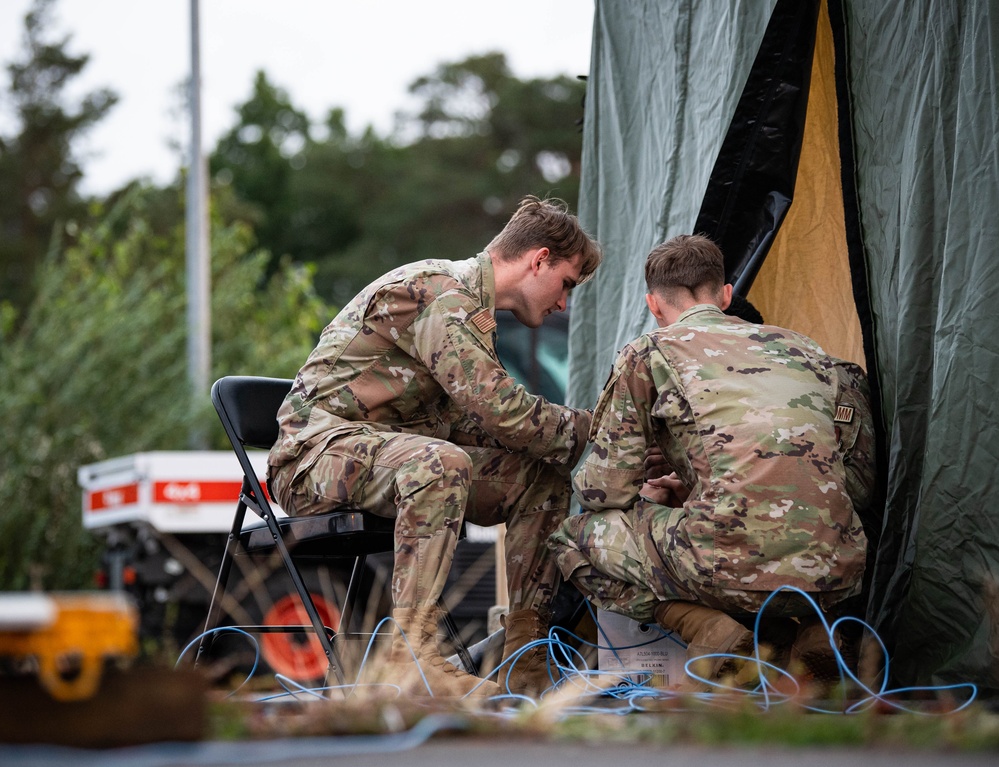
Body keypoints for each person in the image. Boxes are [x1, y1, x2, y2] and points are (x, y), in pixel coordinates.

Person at [267, 196, 601, 699]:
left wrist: (582, 442)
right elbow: (501, 410)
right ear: (539, 260)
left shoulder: (473, 312)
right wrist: (603, 434)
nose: (563, 304)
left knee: (539, 474)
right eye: (566, 285)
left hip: (383, 454)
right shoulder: (442, 293)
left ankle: (525, 659)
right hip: (312, 456)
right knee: (440, 464)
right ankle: (410, 656)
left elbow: (474, 422)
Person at [549, 234, 875, 686]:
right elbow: (856, 487)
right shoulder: (810, 351)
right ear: (726, 295)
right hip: (836, 573)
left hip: (724, 564)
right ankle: (816, 635)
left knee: (572, 537)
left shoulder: (649, 352)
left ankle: (708, 631)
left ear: (653, 305)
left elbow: (605, 489)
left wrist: (655, 498)